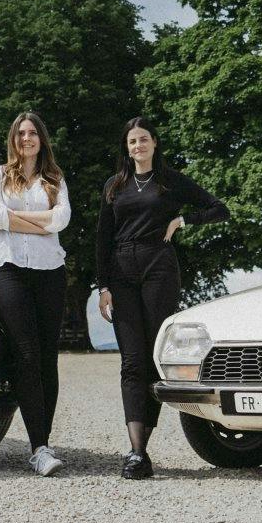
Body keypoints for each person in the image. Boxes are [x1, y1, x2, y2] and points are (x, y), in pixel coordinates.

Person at [96, 116, 227, 480]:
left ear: (154, 143)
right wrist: (103, 286)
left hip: (159, 269)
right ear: (127, 147)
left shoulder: (169, 181)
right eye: (131, 141)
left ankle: (143, 450)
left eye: (143, 140)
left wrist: (183, 221)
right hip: (121, 271)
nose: (137, 146)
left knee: (153, 358)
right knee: (131, 361)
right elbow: (102, 239)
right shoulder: (114, 186)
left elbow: (219, 208)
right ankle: (136, 452)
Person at [0, 112, 71, 476]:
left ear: (42, 139)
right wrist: (40, 222)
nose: (27, 138)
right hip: (10, 269)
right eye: (21, 133)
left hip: (51, 271)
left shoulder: (55, 178)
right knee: (26, 353)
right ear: (13, 139)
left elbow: (62, 220)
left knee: (48, 356)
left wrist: (12, 220)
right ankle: (38, 447)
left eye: (33, 132)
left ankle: (43, 443)